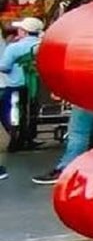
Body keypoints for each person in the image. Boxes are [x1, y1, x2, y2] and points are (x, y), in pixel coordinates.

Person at [1, 16, 43, 171]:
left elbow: (5, 66)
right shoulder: (43, 45)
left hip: (16, 85)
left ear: (24, 32)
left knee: (14, 112)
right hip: (36, 86)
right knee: (32, 109)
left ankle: (17, 140)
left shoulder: (14, 48)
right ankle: (30, 137)